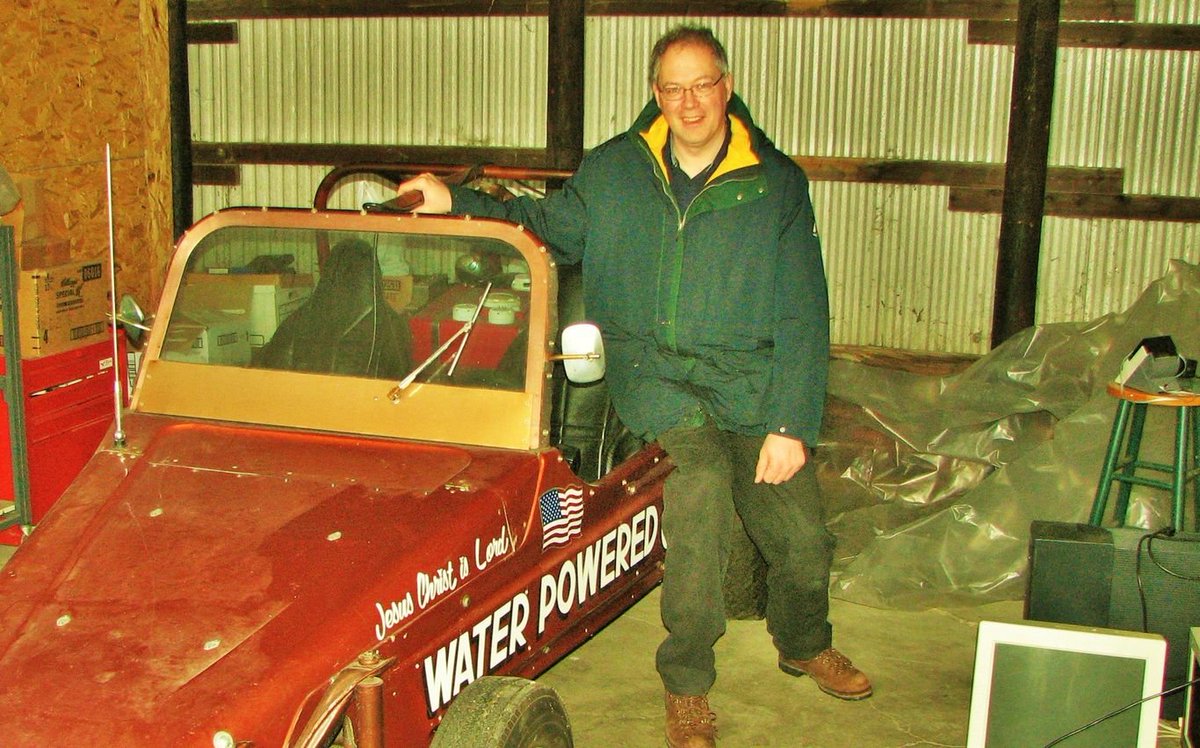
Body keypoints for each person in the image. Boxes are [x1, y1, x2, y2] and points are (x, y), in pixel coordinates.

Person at [398, 25, 870, 748]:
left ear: (727, 87)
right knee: (702, 496)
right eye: (673, 88)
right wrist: (454, 199)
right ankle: (687, 685)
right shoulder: (616, 171)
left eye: (702, 85)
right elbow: (544, 226)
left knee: (803, 539)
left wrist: (791, 423)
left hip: (750, 380)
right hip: (656, 375)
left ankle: (803, 640)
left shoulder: (775, 184)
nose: (688, 102)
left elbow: (805, 309)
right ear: (656, 93)